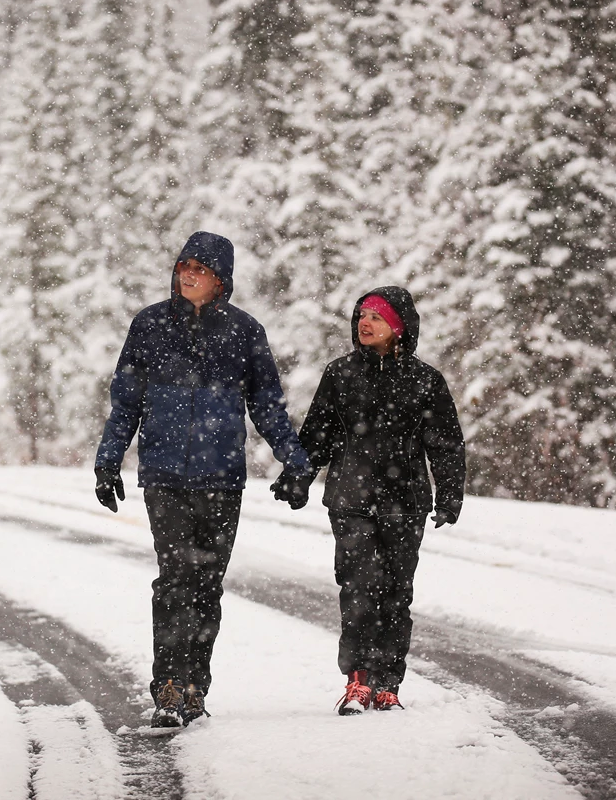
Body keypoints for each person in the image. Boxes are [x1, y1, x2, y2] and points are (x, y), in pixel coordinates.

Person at [94, 231, 313, 729]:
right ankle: (168, 688)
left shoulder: (243, 331)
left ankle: (196, 686)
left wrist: (295, 462)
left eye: (200, 267)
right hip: (164, 476)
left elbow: (267, 406)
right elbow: (126, 401)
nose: (187, 273)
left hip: (221, 479)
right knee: (174, 581)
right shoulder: (149, 325)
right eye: (182, 264)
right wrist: (109, 461)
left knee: (206, 583)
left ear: (221, 280)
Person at [282, 286, 465, 714]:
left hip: (406, 501)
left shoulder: (425, 381)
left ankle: (388, 683)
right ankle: (359, 680)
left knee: (396, 592)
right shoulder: (340, 374)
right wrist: (298, 477)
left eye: (376, 317)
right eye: (362, 314)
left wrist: (450, 494)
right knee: (359, 588)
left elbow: (445, 444)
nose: (364, 322)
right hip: (351, 498)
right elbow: (318, 436)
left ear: (398, 328)